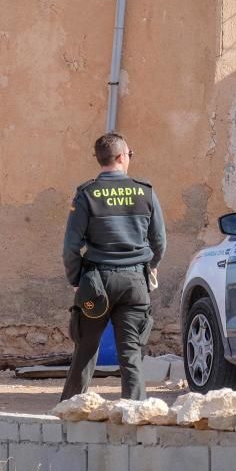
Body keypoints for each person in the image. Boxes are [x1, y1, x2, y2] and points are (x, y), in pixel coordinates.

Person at [61, 132, 166, 401]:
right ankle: (136, 411)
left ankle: (70, 410)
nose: (130, 158)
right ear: (121, 157)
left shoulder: (86, 194)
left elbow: (71, 247)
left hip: (96, 282)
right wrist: (150, 267)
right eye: (130, 154)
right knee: (131, 352)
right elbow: (160, 242)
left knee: (85, 349)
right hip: (135, 283)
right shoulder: (145, 192)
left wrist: (76, 280)